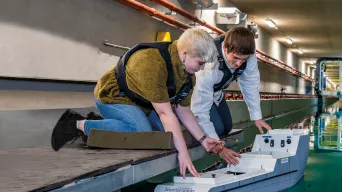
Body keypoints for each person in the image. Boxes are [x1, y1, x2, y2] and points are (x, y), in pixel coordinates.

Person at [51, 28, 227, 178]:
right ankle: (78, 124)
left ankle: (104, 123)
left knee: (163, 136)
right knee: (142, 133)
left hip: (142, 104)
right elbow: (166, 114)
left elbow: (183, 111)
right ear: (184, 54)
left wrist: (204, 139)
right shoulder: (152, 63)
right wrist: (184, 154)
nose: (202, 68)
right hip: (114, 97)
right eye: (200, 63)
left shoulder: (186, 75)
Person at [191, 27, 272, 165]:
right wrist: (219, 149)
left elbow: (250, 84)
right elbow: (200, 110)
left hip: (217, 93)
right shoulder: (209, 62)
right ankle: (189, 129)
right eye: (235, 58)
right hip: (197, 95)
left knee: (227, 127)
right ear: (226, 49)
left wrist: (257, 117)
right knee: (216, 128)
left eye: (243, 60)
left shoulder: (249, 55)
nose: (239, 63)